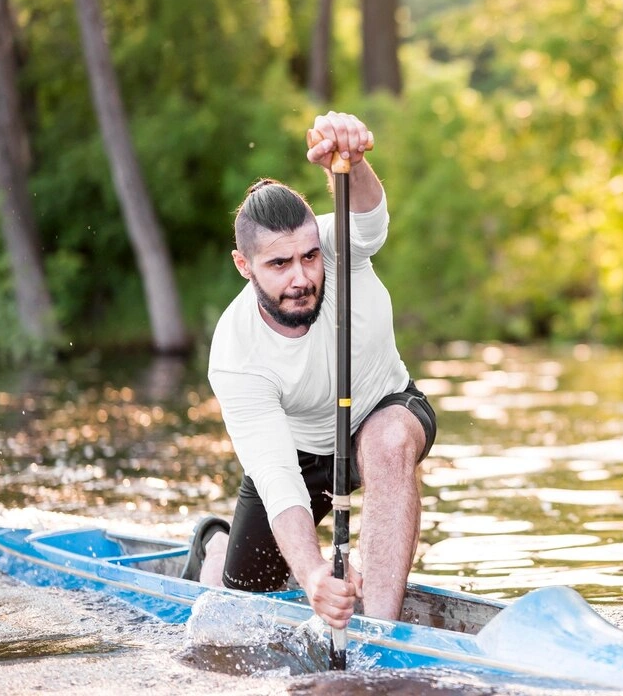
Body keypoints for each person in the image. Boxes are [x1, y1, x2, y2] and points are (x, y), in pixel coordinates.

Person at [187, 111, 436, 629]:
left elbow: (370, 218)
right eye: (279, 265)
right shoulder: (235, 357)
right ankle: (215, 547)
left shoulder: (338, 244)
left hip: (381, 408)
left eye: (308, 257)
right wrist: (315, 576)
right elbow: (278, 481)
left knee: (389, 443)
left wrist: (353, 163)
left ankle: (383, 635)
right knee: (233, 607)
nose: (301, 278)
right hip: (300, 455)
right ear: (244, 265)